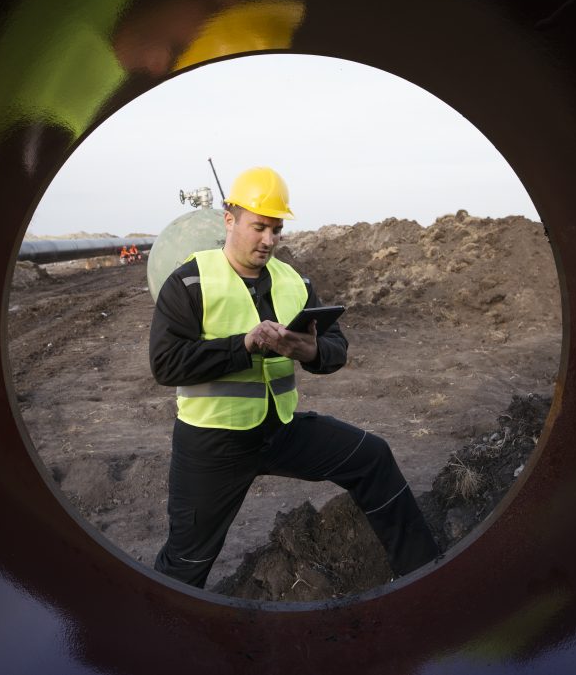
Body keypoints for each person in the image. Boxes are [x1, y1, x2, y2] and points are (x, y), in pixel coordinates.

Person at [149, 166, 439, 589]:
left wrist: (313, 351)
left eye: (276, 229)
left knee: (373, 457)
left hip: (280, 431)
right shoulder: (189, 282)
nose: (268, 240)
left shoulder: (295, 282)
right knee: (186, 561)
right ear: (229, 221)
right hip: (212, 443)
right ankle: (156, 638)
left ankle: (425, 576)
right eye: (259, 227)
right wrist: (242, 346)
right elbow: (166, 364)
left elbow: (336, 348)